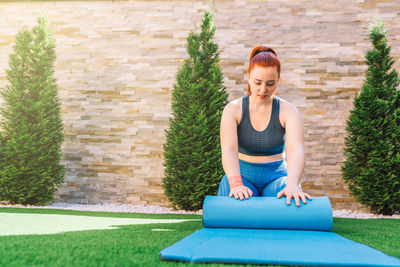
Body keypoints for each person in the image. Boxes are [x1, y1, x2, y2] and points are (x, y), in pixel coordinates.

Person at [217, 45, 312, 207]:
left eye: (270, 83)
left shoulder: (288, 111)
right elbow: (229, 149)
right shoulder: (233, 109)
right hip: (243, 176)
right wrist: (236, 184)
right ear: (248, 77)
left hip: (277, 177)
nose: (263, 89)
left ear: (278, 80)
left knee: (291, 200)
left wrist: (292, 184)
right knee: (230, 198)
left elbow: (296, 149)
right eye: (258, 82)